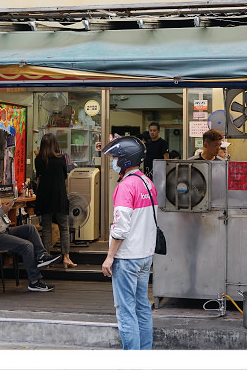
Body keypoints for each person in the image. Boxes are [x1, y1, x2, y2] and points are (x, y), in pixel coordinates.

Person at [101, 136, 158, 350]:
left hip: (127, 258)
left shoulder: (126, 187)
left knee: (125, 311)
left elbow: (121, 227)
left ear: (124, 160)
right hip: (145, 255)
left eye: (115, 158)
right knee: (142, 306)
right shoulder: (147, 183)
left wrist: (109, 256)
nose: (113, 162)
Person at [0, 165, 59, 292]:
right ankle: (35, 281)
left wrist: (4, 210)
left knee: (30, 229)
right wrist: (2, 211)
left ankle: (42, 255)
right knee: (27, 245)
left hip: (3, 230)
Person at [35, 132, 76, 269]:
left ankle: (46, 258)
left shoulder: (38, 159)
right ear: (55, 144)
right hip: (59, 196)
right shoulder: (61, 159)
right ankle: (66, 258)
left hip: (44, 196)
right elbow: (64, 175)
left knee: (46, 229)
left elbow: (39, 176)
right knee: (64, 228)